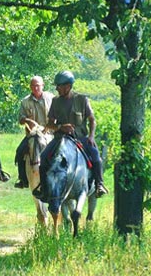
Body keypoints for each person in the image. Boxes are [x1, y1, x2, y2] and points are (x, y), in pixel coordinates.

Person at [32, 70, 108, 198]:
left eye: (59, 86)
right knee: (44, 157)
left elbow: (92, 120)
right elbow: (49, 124)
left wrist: (91, 136)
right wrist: (61, 127)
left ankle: (99, 184)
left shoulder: (82, 99)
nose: (56, 89)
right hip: (61, 138)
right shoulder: (55, 101)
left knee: (96, 156)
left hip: (80, 138)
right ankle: (44, 188)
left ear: (68, 86)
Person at [14, 76, 54, 188]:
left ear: (43, 85)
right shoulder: (25, 101)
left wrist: (52, 124)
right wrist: (27, 120)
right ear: (30, 87)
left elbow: (57, 114)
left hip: (49, 133)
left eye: (38, 85)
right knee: (20, 151)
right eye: (33, 85)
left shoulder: (51, 98)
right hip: (32, 134)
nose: (35, 88)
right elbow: (21, 119)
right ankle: (22, 179)